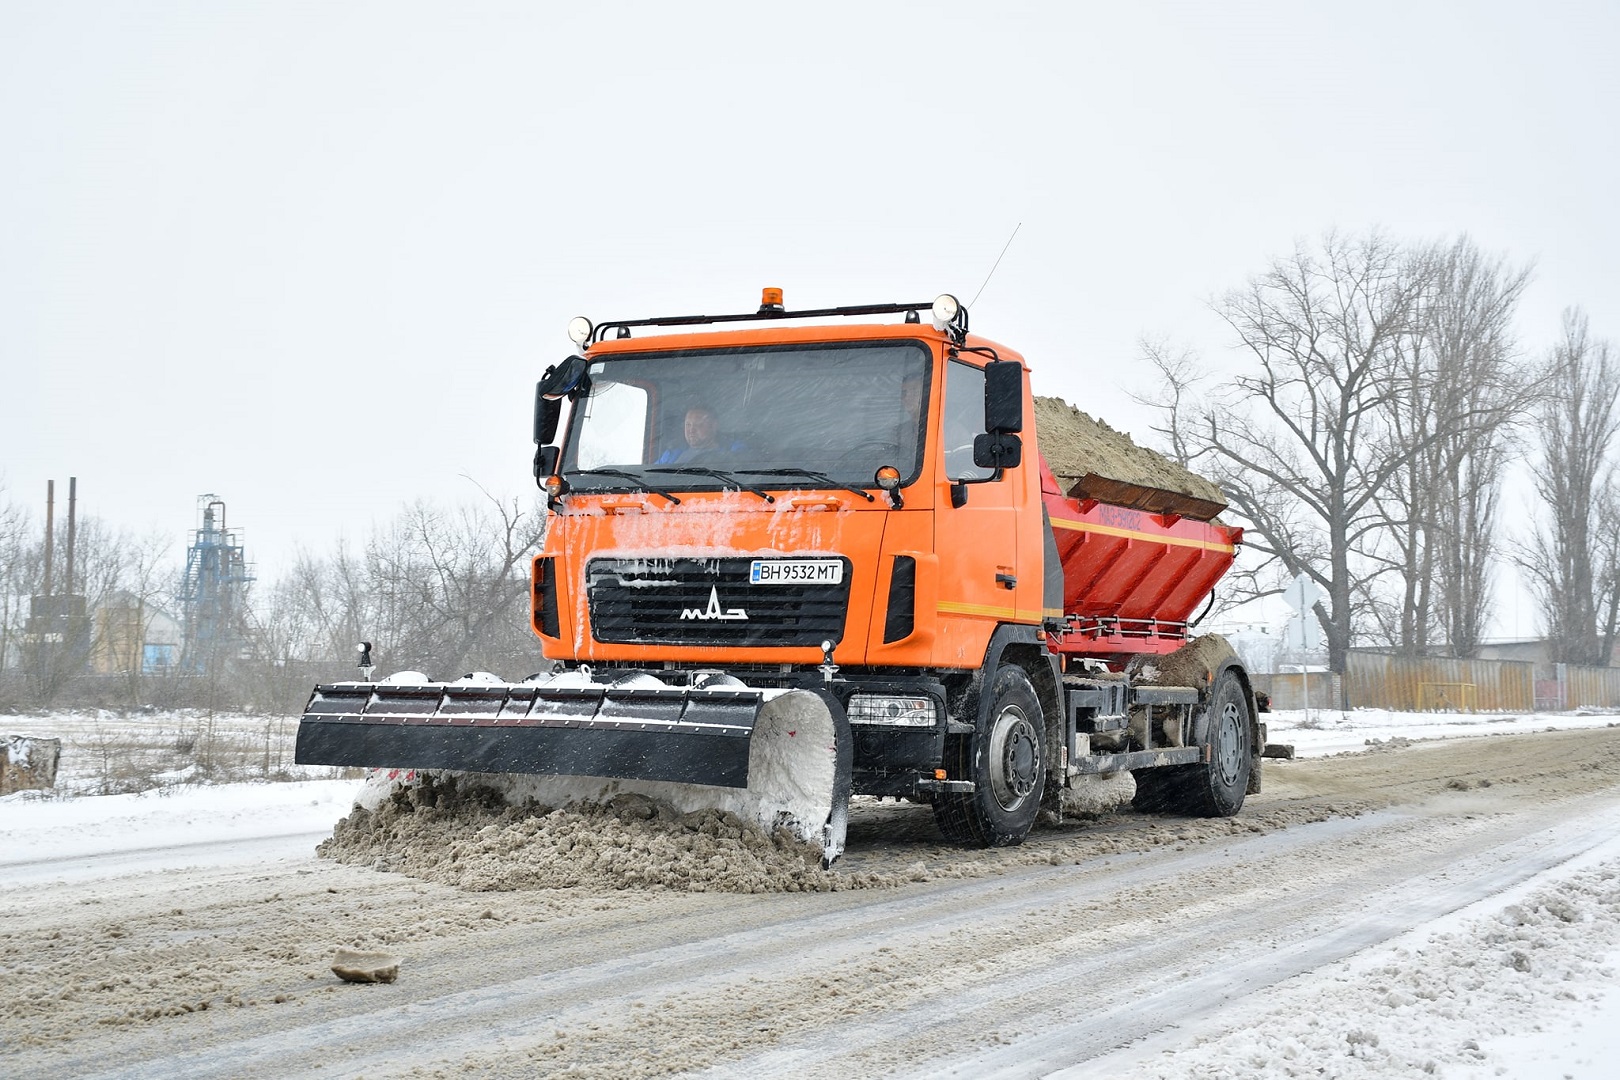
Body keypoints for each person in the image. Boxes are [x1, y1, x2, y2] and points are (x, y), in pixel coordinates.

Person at [657, 405, 733, 463]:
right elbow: (652, 476)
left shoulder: (734, 452)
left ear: (713, 426)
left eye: (698, 425)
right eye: (688, 425)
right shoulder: (671, 454)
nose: (691, 430)